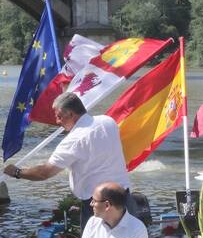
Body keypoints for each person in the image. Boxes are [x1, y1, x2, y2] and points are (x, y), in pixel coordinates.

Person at [4, 92, 130, 230]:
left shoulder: (73, 140)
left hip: (99, 205)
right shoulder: (108, 121)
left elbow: (44, 173)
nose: (57, 122)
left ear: (70, 114)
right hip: (125, 196)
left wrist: (17, 172)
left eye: (59, 116)